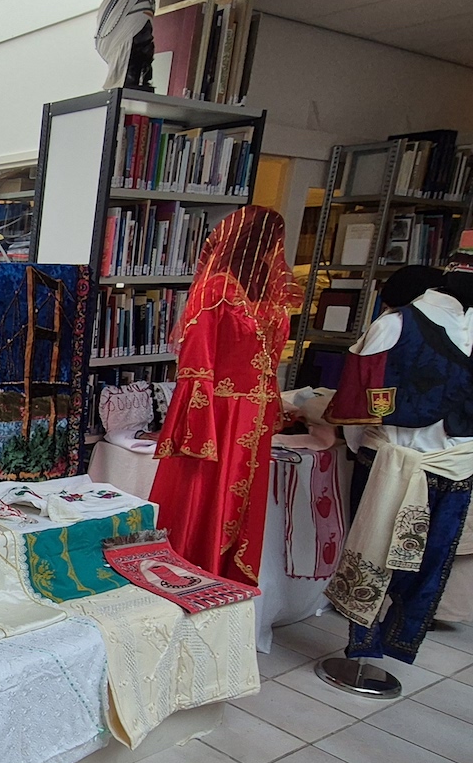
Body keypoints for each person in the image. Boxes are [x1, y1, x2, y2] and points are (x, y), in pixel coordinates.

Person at [325, 253, 473, 664]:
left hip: (457, 466)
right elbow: (357, 405)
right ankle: (363, 645)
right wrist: (366, 452)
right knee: (373, 558)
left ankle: (399, 642)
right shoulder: (394, 325)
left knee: (430, 566)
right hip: (392, 462)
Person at [150, 206, 296, 585]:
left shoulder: (273, 294)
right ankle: (195, 575)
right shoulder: (218, 288)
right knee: (207, 498)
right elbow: (197, 362)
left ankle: (229, 584)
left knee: (243, 505)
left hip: (253, 416)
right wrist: (197, 425)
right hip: (219, 414)